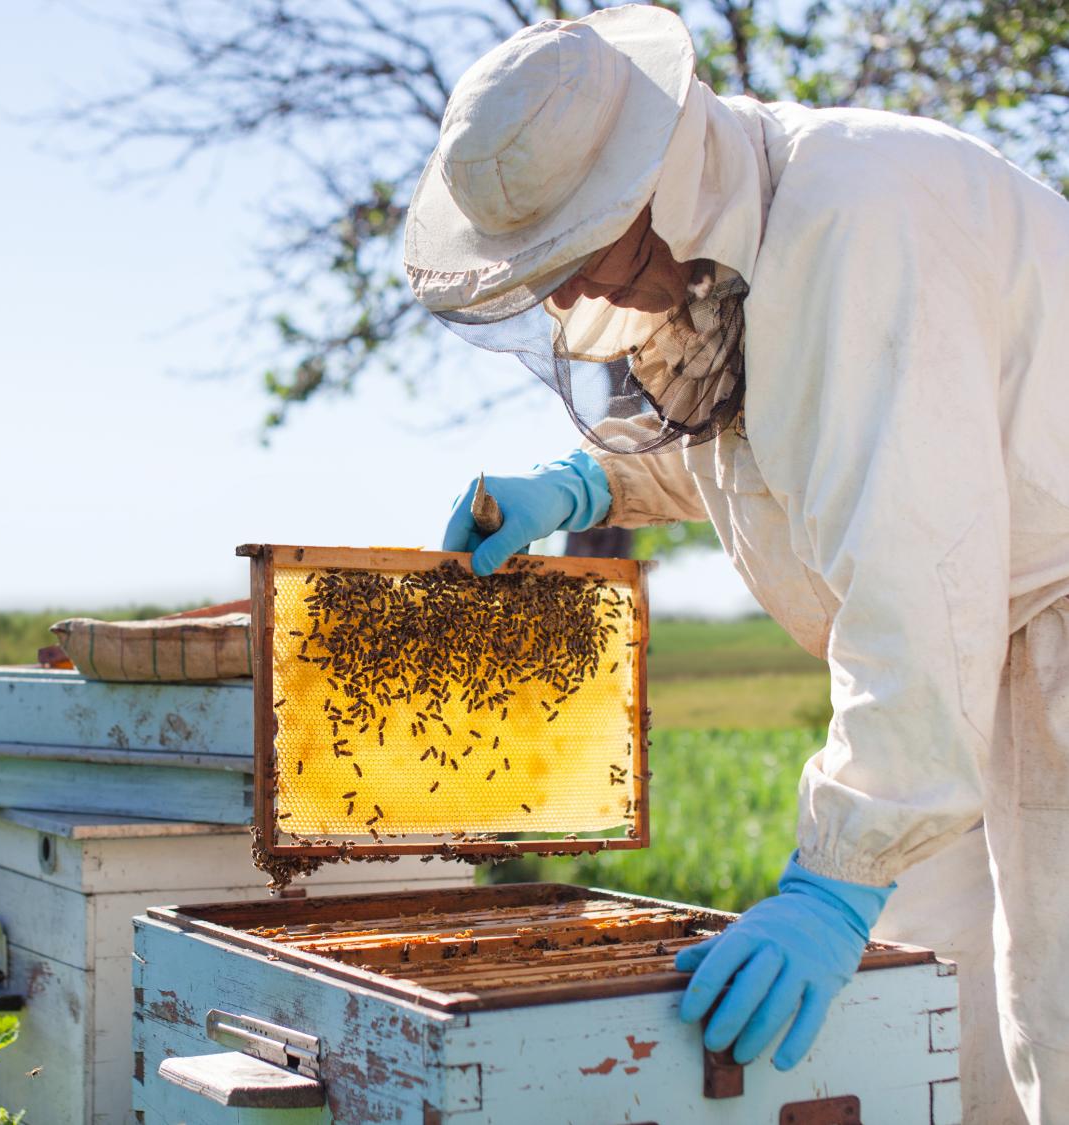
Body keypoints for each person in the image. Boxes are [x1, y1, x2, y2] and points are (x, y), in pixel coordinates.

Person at [407, 6, 1069, 1123]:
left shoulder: (859, 220)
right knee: (936, 1030)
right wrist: (587, 485)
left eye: (576, 259)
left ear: (650, 192)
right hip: (968, 654)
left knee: (1055, 1020)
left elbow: (919, 562)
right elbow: (770, 451)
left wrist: (831, 883)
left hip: (1039, 626)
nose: (567, 300)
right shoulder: (729, 250)